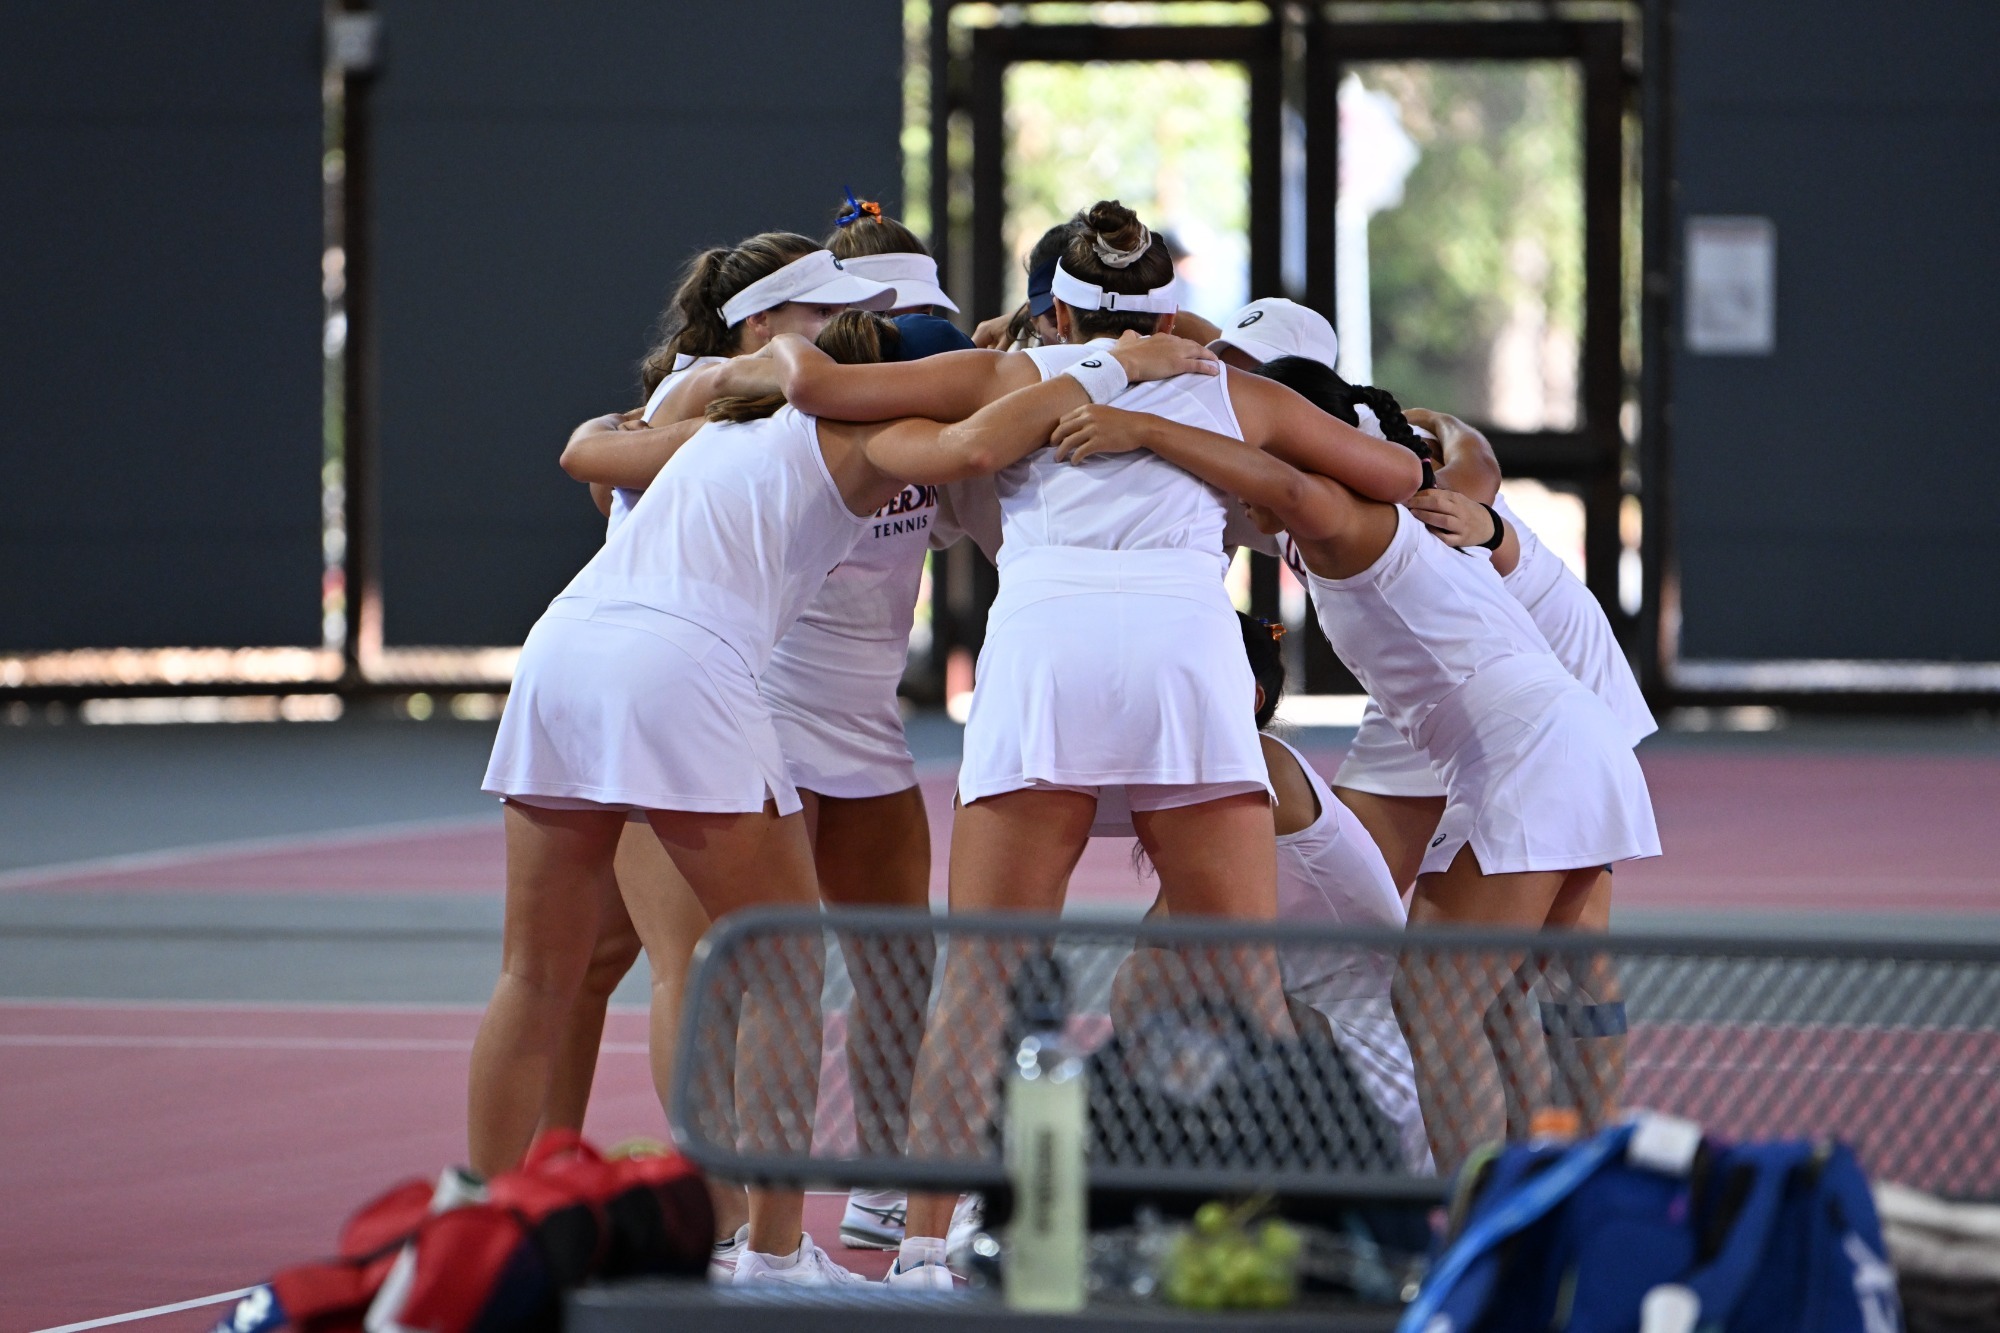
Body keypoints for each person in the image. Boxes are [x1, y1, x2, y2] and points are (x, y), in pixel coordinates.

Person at [476, 309, 1216, 1285]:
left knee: (534, 972)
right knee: (784, 966)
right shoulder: (870, 435)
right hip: (683, 660)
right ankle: (775, 1255)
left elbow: (593, 450)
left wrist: (783, 358)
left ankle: (471, 1235)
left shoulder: (726, 423)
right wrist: (1118, 365)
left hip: (561, 651)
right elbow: (980, 443)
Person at [1045, 354, 1659, 1175]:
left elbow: (1288, 485)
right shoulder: (1382, 508)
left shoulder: (1345, 520)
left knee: (1435, 1004)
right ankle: (1541, 1199)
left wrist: (1144, 427)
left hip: (1531, 747)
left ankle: (1470, 1215)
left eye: (1252, 438)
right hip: (1542, 743)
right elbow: (1466, 459)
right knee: (1510, 993)